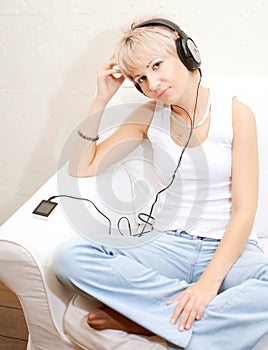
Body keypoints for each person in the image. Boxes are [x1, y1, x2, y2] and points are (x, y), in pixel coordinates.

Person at [53, 17, 268, 349]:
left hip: (230, 250)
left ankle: (143, 318)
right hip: (169, 246)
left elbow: (245, 212)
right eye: (140, 77)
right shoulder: (148, 115)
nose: (152, 83)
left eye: (156, 65)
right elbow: (83, 167)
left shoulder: (237, 113)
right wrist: (100, 102)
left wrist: (208, 284)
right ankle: (187, 316)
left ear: (186, 52)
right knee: (70, 257)